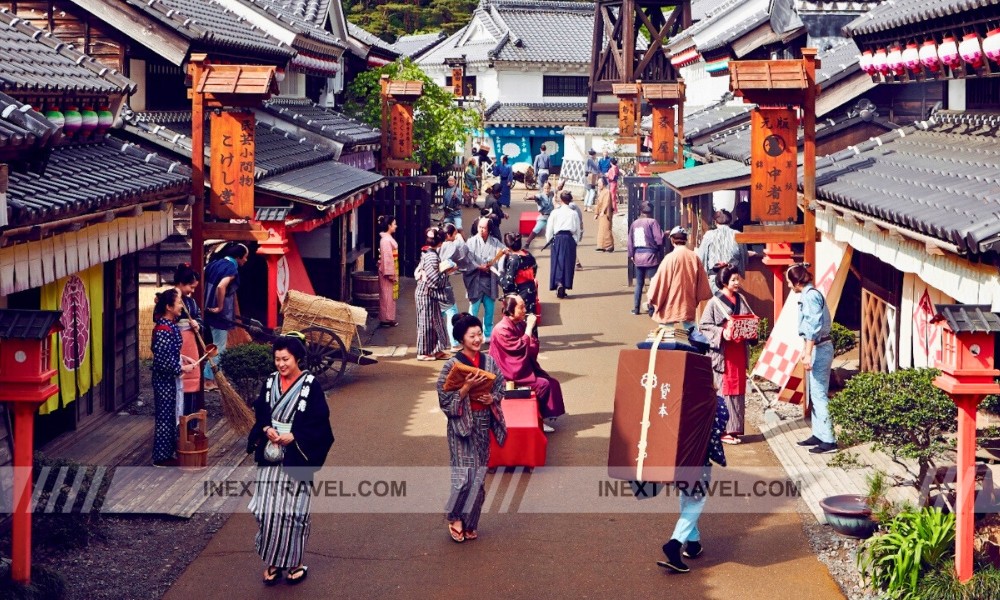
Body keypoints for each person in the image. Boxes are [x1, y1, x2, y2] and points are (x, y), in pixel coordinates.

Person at [247, 335, 334, 586]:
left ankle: (295, 562)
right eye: (277, 359)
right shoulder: (270, 382)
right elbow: (261, 412)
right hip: (270, 455)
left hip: (297, 454)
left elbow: (320, 422)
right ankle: (273, 562)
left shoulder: (310, 385)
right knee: (267, 510)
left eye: (285, 359)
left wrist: (295, 435)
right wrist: (266, 429)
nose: (281, 364)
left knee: (294, 512)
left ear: (297, 358)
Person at [437, 313, 507, 543]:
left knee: (478, 475)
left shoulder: (489, 361)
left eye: (479, 334)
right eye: (472, 335)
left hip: (482, 421)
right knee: (464, 476)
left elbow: (500, 384)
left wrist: (492, 398)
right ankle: (455, 517)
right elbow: (444, 399)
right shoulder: (451, 365)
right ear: (461, 338)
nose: (478, 339)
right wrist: (465, 388)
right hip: (460, 425)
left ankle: (470, 521)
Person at [658, 395, 729, 573]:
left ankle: (694, 543)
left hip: (678, 460)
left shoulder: (678, 398)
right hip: (699, 462)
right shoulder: (715, 403)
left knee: (686, 496)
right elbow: (715, 433)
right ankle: (674, 544)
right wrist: (718, 456)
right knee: (696, 502)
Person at [699, 264, 756, 445]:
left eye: (738, 279)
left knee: (738, 390)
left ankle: (735, 428)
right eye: (733, 280)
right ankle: (722, 430)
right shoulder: (714, 303)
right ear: (724, 281)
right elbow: (704, 326)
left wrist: (751, 329)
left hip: (738, 351)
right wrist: (722, 333)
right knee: (725, 390)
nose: (737, 282)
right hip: (724, 353)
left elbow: (750, 318)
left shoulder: (742, 299)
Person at [489, 295, 565, 432]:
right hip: (507, 374)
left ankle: (543, 416)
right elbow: (518, 349)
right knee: (543, 385)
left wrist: (530, 335)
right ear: (510, 310)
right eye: (521, 307)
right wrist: (529, 328)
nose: (525, 310)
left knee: (552, 382)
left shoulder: (519, 324)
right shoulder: (501, 329)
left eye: (524, 306)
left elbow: (530, 346)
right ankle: (538, 419)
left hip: (519, 368)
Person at [787, 263, 838, 454]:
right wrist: (805, 350)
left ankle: (829, 440)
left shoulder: (811, 297)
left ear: (796, 282)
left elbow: (813, 326)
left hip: (820, 347)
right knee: (814, 393)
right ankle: (819, 433)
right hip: (816, 346)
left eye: (789, 281)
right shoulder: (808, 295)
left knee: (819, 393)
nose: (788, 285)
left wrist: (807, 353)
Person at [151, 288, 195, 467]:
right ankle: (161, 457)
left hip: (170, 380)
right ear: (169, 307)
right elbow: (163, 362)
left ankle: (169, 452)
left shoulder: (170, 325)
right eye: (178, 304)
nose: (180, 307)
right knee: (165, 418)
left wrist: (182, 357)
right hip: (164, 382)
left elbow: (170, 353)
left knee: (172, 416)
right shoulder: (163, 330)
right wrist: (183, 367)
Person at [203, 242, 249, 390]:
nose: (246, 260)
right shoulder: (231, 268)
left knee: (216, 345)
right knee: (219, 347)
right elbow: (221, 286)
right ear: (237, 257)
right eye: (245, 257)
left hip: (207, 308)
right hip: (218, 313)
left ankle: (214, 377)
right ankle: (209, 380)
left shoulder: (214, 264)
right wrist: (220, 306)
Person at [647, 227, 712, 329]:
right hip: (688, 299)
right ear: (686, 240)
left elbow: (660, 281)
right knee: (690, 329)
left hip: (670, 300)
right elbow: (702, 282)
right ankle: (695, 344)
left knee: (666, 331)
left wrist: (651, 297)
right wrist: (696, 297)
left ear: (672, 240)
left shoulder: (670, 258)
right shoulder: (694, 257)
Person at [463, 218, 507, 341]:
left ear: (489, 229)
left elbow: (503, 251)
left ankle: (487, 334)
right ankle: (470, 334)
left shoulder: (495, 242)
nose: (481, 230)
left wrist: (503, 253)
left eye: (484, 228)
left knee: (489, 311)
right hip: (475, 280)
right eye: (480, 227)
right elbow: (467, 259)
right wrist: (477, 266)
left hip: (489, 280)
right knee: (473, 311)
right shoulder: (471, 242)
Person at [415, 227, 452, 361]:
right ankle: (424, 352)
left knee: (436, 321)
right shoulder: (431, 256)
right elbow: (434, 282)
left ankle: (436, 350)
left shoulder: (427, 251)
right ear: (440, 242)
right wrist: (446, 272)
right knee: (426, 323)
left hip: (429, 293)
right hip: (426, 292)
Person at [173, 264, 202, 422]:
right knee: (178, 378)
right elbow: (160, 318)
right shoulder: (169, 299)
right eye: (191, 286)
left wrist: (197, 324)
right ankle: (178, 422)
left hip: (190, 343)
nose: (192, 291)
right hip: (175, 343)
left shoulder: (191, 302)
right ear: (182, 283)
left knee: (192, 377)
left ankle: (190, 421)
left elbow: (199, 318)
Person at [440, 223, 474, 351]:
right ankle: (454, 343)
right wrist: (460, 239)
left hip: (434, 286)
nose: (455, 236)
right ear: (448, 235)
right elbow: (463, 252)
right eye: (454, 234)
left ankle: (439, 343)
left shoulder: (437, 246)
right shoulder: (450, 245)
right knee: (451, 313)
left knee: (438, 315)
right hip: (444, 285)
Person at [697, 209, 749, 293]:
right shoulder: (738, 234)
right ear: (730, 221)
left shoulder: (709, 235)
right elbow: (745, 259)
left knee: (718, 302)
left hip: (715, 277)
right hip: (732, 276)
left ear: (715, 222)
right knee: (732, 302)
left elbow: (701, 257)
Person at [628, 202, 665, 315]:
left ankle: (636, 308)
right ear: (651, 211)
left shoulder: (635, 223)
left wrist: (631, 255)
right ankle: (651, 309)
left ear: (640, 211)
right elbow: (659, 239)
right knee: (653, 283)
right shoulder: (653, 222)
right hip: (651, 256)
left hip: (638, 256)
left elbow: (630, 242)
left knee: (639, 283)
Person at [545, 191, 582, 298]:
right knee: (568, 263)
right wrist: (576, 240)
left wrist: (549, 240)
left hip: (557, 238)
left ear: (561, 200)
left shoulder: (555, 212)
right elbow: (577, 229)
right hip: (569, 238)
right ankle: (564, 285)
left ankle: (558, 283)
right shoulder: (573, 213)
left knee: (557, 262)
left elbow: (549, 228)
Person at [499, 232, 539, 317]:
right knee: (530, 316)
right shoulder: (528, 254)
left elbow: (508, 284)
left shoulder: (513, 260)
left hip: (520, 292)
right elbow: (534, 268)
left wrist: (499, 276)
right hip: (531, 289)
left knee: (521, 318)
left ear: (508, 246)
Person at [377, 215, 399, 328]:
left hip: (391, 270)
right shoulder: (385, 240)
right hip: (387, 272)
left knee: (389, 295)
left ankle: (388, 317)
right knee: (387, 295)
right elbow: (387, 259)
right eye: (394, 224)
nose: (396, 226)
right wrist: (390, 273)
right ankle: (386, 318)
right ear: (389, 225)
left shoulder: (386, 239)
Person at [523, 180, 555, 249]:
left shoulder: (552, 194)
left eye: (548, 188)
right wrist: (528, 197)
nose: (547, 190)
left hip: (552, 216)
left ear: (550, 188)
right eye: (545, 188)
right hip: (543, 216)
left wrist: (562, 183)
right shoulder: (540, 195)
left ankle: (555, 244)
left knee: (555, 230)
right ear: (543, 188)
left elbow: (559, 189)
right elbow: (535, 197)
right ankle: (527, 243)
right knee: (536, 229)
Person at [594, 177, 615, 252]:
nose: (598, 185)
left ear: (603, 183)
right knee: (601, 229)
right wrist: (596, 213)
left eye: (600, 183)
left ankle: (609, 245)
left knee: (606, 229)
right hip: (601, 213)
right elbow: (598, 203)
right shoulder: (601, 192)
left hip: (606, 213)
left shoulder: (607, 192)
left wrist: (603, 211)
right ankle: (601, 245)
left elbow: (606, 202)